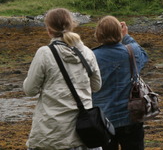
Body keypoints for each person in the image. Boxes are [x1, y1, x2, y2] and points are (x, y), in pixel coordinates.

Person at [24, 8, 103, 150]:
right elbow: (96, 86)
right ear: (72, 25)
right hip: (85, 132)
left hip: (52, 133)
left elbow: (29, 90)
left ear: (49, 30)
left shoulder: (44, 53)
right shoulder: (87, 53)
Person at [92, 16, 150, 150]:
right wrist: (126, 36)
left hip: (103, 119)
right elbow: (144, 56)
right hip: (131, 116)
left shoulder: (91, 56)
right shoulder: (132, 51)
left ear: (98, 34)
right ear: (119, 32)